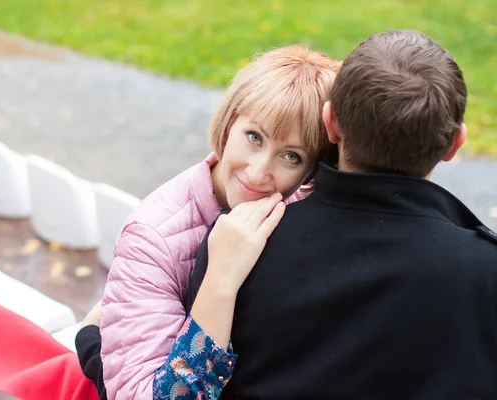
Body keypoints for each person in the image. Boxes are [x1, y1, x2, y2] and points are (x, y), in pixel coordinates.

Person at [187, 30, 497, 399]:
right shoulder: (485, 275)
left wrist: (94, 342)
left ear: (330, 123)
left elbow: (192, 384)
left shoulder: (238, 246)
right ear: (455, 144)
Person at [77, 44, 341, 399]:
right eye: (254, 137)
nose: (259, 171)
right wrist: (219, 280)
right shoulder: (153, 237)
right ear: (230, 122)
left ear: (311, 170)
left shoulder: (304, 203)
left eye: (291, 156)